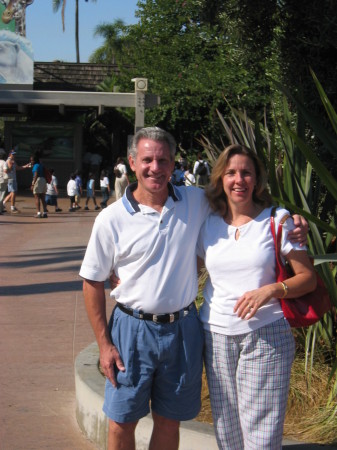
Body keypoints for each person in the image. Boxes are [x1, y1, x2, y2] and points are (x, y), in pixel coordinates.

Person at [79, 128, 308, 450]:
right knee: (121, 420)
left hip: (183, 329)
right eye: (147, 160)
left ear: (173, 164)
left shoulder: (196, 201)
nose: (154, 168)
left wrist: (294, 221)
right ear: (132, 163)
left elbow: (241, 215)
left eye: (163, 160)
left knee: (170, 420)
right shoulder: (110, 219)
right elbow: (91, 281)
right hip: (132, 330)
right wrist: (104, 344)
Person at [196, 144, 316, 450]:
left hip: (267, 335)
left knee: (261, 434)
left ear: (257, 179)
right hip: (216, 334)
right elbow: (183, 268)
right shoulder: (206, 223)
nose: (239, 180)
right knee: (227, 431)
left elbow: (307, 278)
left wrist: (272, 290)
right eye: (231, 172)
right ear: (220, 178)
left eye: (246, 172)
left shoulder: (278, 220)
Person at [30, 153, 48, 218]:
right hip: (43, 180)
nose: (31, 162)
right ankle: (45, 213)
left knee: (37, 197)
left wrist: (32, 184)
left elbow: (36, 174)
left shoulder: (36, 166)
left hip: (38, 180)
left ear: (35, 160)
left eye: (32, 160)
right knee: (43, 198)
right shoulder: (41, 165)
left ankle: (38, 213)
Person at [0, 148, 8, 214]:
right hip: (2, 180)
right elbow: (5, 170)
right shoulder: (4, 162)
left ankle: (1, 208)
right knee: (1, 195)